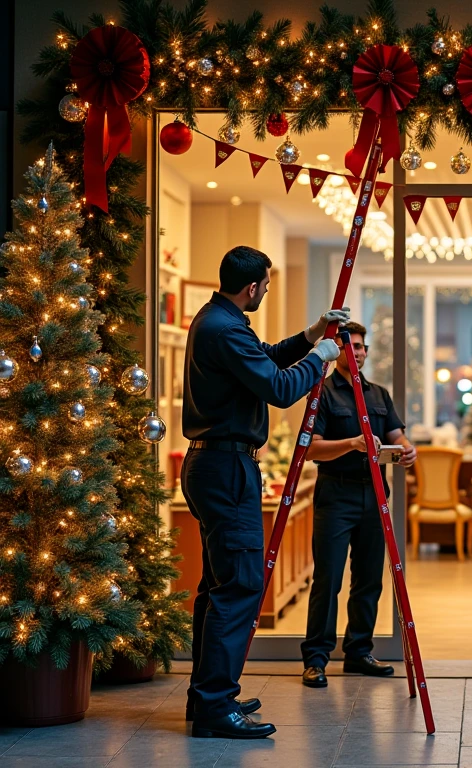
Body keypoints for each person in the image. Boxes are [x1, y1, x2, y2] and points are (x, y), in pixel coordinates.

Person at [181, 245, 348, 738]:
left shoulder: (216, 320)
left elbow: (265, 361)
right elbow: (277, 388)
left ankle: (208, 695)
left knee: (218, 587)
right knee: (239, 586)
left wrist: (310, 335)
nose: (267, 292)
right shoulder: (227, 329)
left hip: (214, 464)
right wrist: (320, 359)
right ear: (252, 287)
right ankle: (215, 705)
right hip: (226, 467)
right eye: (266, 287)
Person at [300, 321, 417, 687]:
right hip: (336, 493)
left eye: (363, 347)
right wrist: (352, 444)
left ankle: (358, 652)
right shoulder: (322, 393)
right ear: (338, 352)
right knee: (328, 579)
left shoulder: (379, 394)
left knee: (368, 580)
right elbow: (310, 448)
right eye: (352, 347)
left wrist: (407, 450)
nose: (359, 352)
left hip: (375, 493)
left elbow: (396, 435)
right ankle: (316, 659)